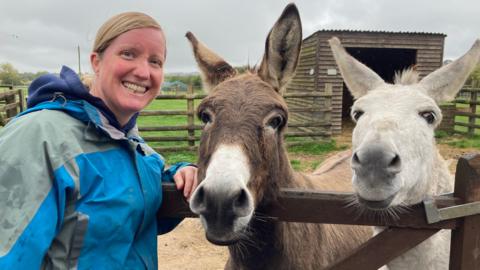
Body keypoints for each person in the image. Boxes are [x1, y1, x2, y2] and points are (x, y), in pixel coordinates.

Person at [0, 12, 198, 269]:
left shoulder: (129, 143)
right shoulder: (40, 137)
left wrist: (183, 172)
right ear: (96, 61)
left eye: (155, 61)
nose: (143, 71)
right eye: (128, 54)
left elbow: (137, 213)